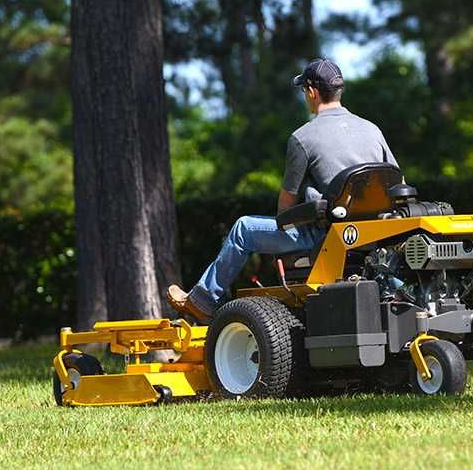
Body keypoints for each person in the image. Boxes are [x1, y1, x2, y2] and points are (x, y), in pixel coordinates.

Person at [166, 57, 397, 323]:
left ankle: (203, 300)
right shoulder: (372, 129)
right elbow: (394, 182)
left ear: (311, 91)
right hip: (371, 237)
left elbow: (285, 209)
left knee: (244, 228)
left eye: (304, 92)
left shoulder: (303, 137)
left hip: (324, 236)